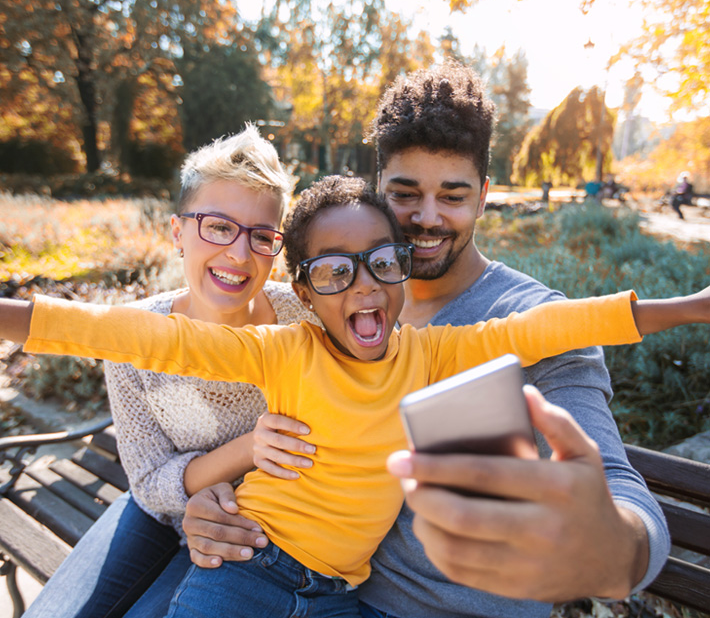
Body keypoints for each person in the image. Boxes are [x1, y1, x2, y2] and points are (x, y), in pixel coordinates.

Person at [2, 175, 709, 618]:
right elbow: (138, 337)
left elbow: (552, 325)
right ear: (302, 293)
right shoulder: (282, 349)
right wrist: (13, 316)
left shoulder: (430, 352)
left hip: (342, 596)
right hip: (249, 569)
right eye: (336, 271)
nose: (365, 285)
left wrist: (691, 305)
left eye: (381, 262)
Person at [182, 62, 674, 618]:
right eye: (406, 193)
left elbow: (615, 485)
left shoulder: (537, 323)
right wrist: (211, 501)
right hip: (314, 593)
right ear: (376, 190)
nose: (428, 218)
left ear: (484, 195)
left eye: (454, 196)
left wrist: (616, 548)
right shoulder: (327, 300)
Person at [22, 124, 320, 618]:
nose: (239, 254)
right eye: (219, 227)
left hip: (253, 528)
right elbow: (147, 481)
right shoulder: (134, 334)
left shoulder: (304, 320)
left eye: (262, 236)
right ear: (178, 232)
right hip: (159, 514)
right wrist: (248, 448)